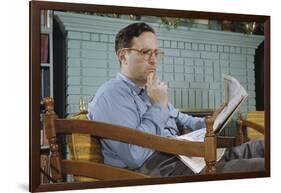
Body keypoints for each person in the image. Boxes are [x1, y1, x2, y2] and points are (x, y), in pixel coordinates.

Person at [87, 22, 264, 176]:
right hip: (154, 168)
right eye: (146, 52)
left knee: (261, 147)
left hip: (183, 155)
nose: (154, 60)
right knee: (260, 166)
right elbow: (135, 156)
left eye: (156, 53)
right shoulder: (111, 95)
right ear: (123, 55)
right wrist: (158, 106)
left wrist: (212, 120)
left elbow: (183, 119)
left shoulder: (150, 90)